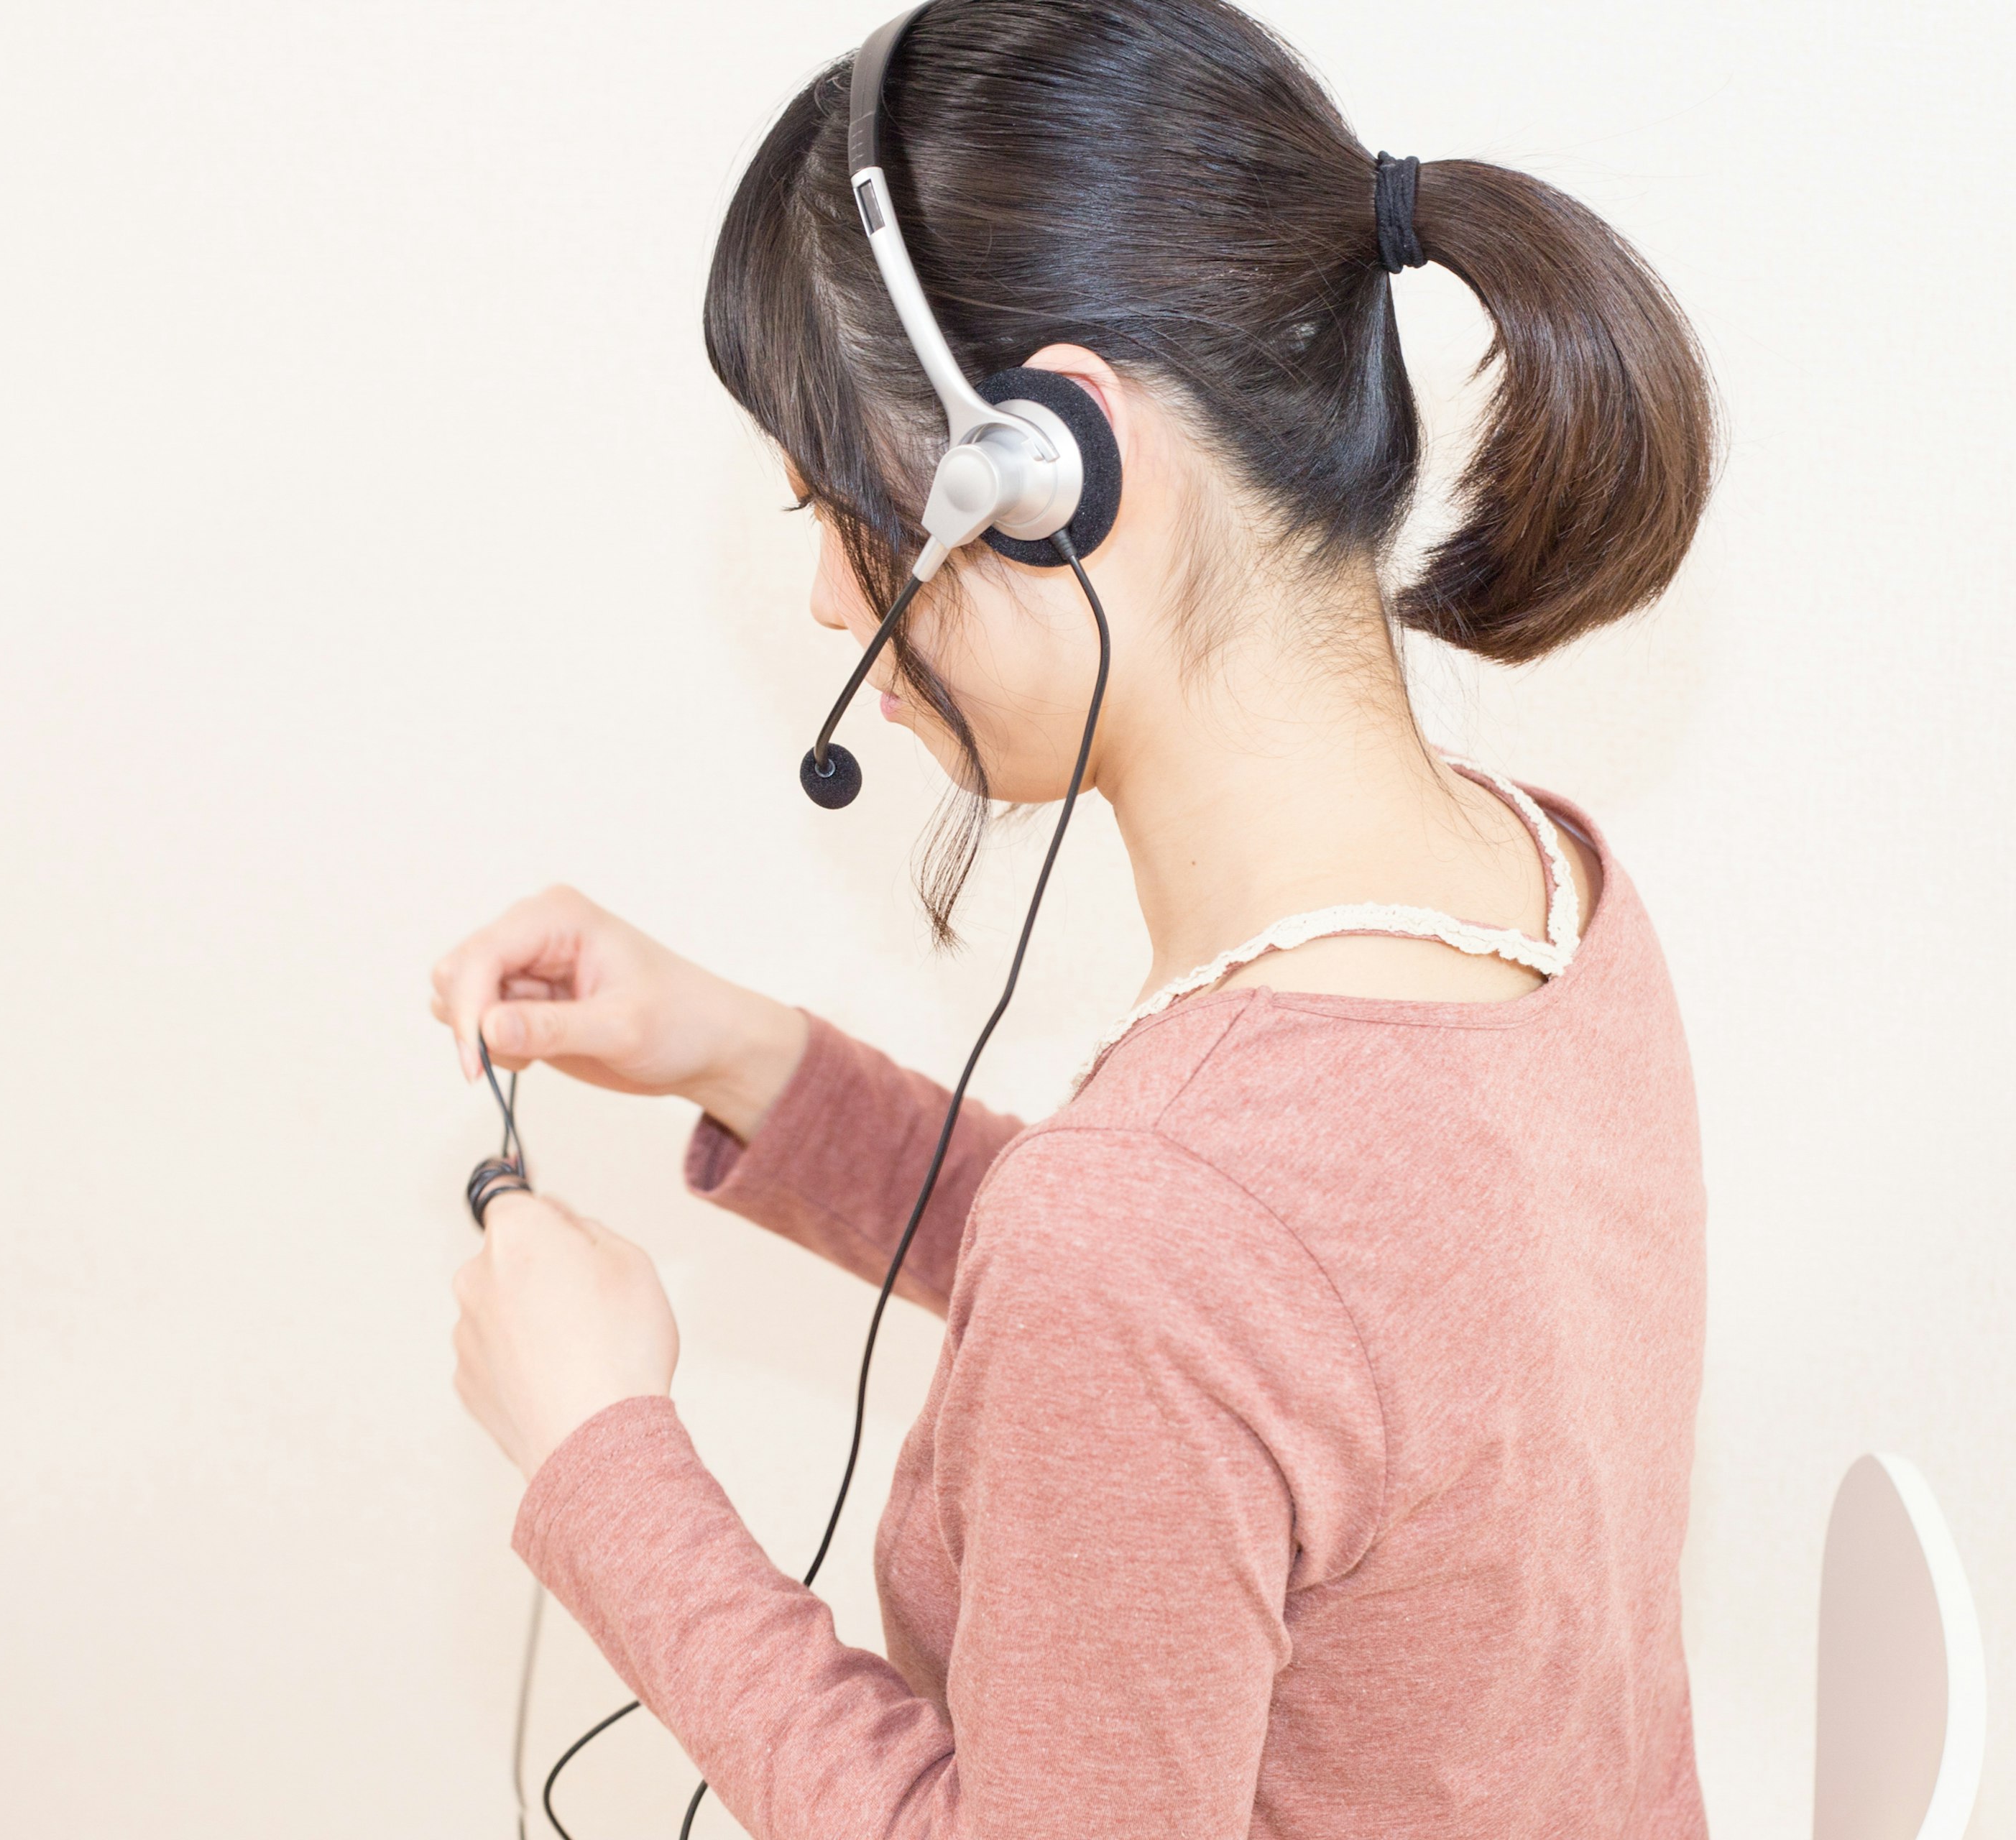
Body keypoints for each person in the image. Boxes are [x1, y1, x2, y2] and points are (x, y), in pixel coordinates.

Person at [428, 1, 1717, 1833]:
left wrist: (600, 1456)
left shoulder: (1163, 1229)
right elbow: (1244, 1355)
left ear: (1056, 471)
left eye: (841, 500)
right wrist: (753, 1057)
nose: (821, 593)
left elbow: (1170, 1297)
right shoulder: (1541, 890)